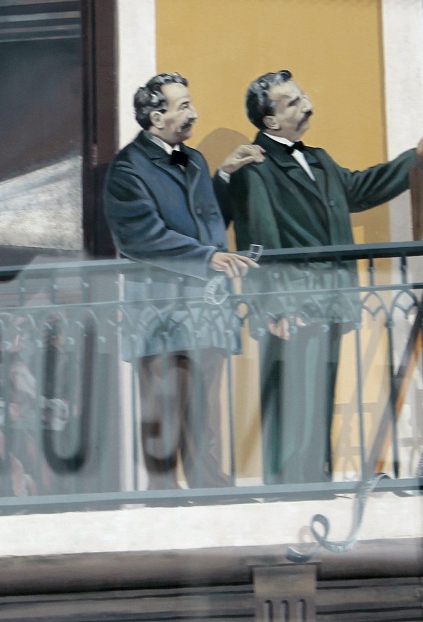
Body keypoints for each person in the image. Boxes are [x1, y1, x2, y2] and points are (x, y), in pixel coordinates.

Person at [229, 70, 423, 485]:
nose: (307, 105)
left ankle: (316, 487)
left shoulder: (319, 160)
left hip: (332, 300)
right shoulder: (255, 168)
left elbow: (360, 189)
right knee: (294, 407)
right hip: (294, 307)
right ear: (270, 121)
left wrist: (417, 155)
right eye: (293, 102)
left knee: (320, 401)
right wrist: (275, 307)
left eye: (303, 96)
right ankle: (291, 494)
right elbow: (259, 240)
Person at [103, 72, 264, 490]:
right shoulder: (127, 167)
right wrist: (208, 257)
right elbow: (141, 238)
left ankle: (210, 485)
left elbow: (208, 224)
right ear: (157, 118)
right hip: (159, 311)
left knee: (205, 406)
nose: (195, 114)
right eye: (185, 106)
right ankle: (162, 496)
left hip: (205, 309)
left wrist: (224, 176)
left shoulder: (194, 160)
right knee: (163, 408)